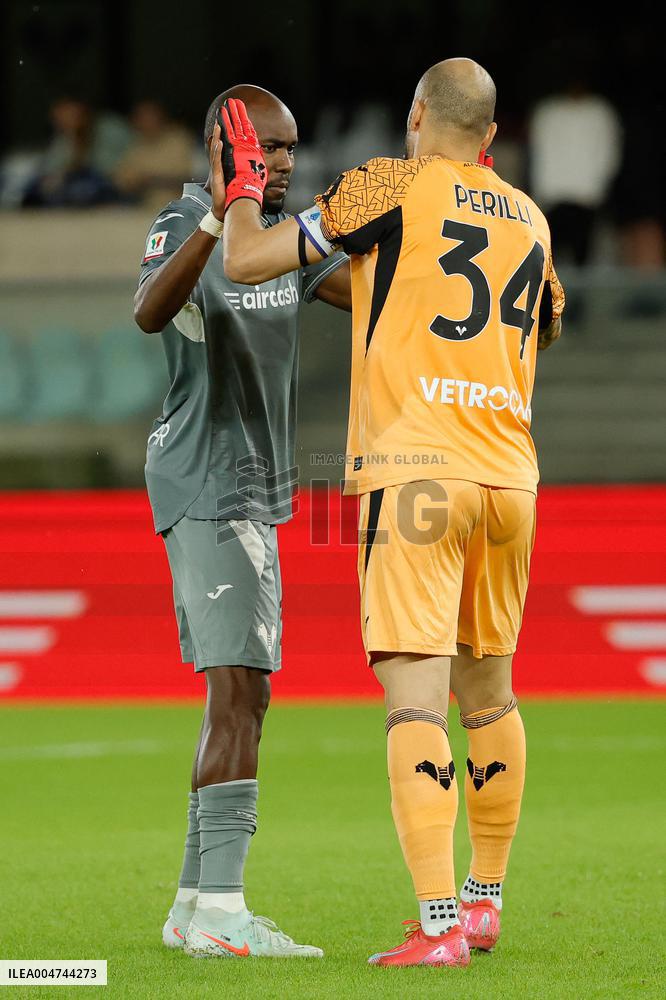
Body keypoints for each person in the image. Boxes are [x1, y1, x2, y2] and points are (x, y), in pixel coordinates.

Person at [219, 58, 564, 968]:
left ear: (415, 117)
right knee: (491, 695)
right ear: (491, 136)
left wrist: (244, 192)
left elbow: (249, 258)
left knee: (415, 700)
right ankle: (485, 902)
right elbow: (503, 316)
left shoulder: (391, 184)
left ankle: (439, 925)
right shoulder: (531, 218)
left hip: (414, 475)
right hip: (511, 481)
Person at [133, 83, 350, 960]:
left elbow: (366, 298)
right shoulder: (185, 221)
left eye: (293, 148)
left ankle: (192, 905)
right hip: (204, 473)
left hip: (254, 484)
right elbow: (150, 310)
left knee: (245, 688)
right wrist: (220, 220)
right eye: (269, 147)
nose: (285, 163)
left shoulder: (282, 239)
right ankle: (224, 911)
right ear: (225, 151)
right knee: (239, 687)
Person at [528, 76, 621, 266]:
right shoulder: (547, 111)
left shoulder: (599, 112)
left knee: (583, 260)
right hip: (552, 198)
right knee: (548, 261)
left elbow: (608, 154)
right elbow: (537, 151)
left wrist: (597, 189)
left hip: (586, 198)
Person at [114, 100, 196, 210]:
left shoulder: (179, 140)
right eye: (142, 118)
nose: (147, 122)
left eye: (151, 117)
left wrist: (151, 179)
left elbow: (191, 178)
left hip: (183, 208)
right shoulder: (135, 147)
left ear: (161, 118)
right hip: (145, 209)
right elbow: (122, 182)